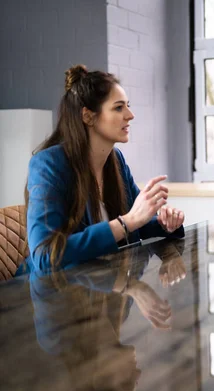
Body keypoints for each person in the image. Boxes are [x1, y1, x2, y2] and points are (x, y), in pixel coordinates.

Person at [23, 64, 185, 275]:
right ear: (88, 116)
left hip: (106, 291)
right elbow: (46, 255)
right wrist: (126, 222)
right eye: (119, 108)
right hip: (51, 298)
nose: (130, 115)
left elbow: (140, 223)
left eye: (128, 105)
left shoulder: (115, 160)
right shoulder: (48, 165)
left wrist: (166, 223)